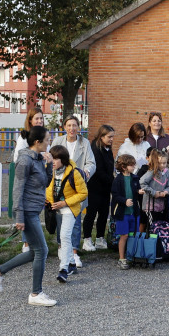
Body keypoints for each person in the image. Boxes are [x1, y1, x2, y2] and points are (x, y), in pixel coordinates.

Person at [0, 126, 56, 306]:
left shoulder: (38, 158)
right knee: (42, 250)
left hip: (34, 209)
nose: (49, 143)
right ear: (37, 142)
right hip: (27, 211)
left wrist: (49, 166)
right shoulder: (25, 160)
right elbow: (17, 189)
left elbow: (45, 183)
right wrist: (19, 217)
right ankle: (35, 294)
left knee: (35, 251)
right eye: (48, 140)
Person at [51, 115, 96, 270]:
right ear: (64, 127)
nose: (72, 128)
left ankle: (74, 251)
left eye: (74, 125)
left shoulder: (84, 143)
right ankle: (61, 247)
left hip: (76, 186)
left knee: (76, 220)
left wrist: (87, 171)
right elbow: (51, 161)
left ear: (79, 127)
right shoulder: (57, 142)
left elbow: (91, 162)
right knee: (60, 218)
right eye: (69, 125)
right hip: (59, 186)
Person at [46, 145, 88, 283]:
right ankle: (71, 263)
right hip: (56, 208)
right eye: (52, 158)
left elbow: (83, 193)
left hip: (70, 208)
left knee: (64, 236)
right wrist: (49, 202)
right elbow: (47, 188)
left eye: (56, 159)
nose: (53, 161)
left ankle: (63, 269)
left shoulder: (73, 173)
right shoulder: (50, 171)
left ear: (63, 160)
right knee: (65, 237)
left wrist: (65, 203)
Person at [13, 107, 46, 254]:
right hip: (29, 174)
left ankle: (32, 243)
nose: (39, 121)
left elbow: (45, 152)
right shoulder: (24, 138)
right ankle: (26, 242)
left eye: (41, 118)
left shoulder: (44, 135)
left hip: (39, 173)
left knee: (33, 210)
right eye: (36, 118)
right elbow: (19, 157)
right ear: (30, 120)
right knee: (26, 209)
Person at [82, 125, 115, 252]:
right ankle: (87, 239)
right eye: (109, 137)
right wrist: (113, 181)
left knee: (103, 214)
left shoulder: (108, 149)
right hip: (94, 187)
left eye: (112, 137)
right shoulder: (95, 149)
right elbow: (99, 170)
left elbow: (110, 166)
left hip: (105, 188)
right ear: (101, 137)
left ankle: (100, 238)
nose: (112, 139)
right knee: (91, 214)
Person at [111, 154, 143, 270]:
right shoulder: (118, 180)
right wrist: (124, 201)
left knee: (132, 235)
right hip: (122, 213)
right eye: (131, 165)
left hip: (133, 212)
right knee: (123, 235)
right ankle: (122, 258)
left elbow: (136, 190)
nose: (134, 167)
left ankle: (131, 256)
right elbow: (115, 196)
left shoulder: (135, 178)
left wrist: (139, 191)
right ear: (124, 167)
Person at [140, 149, 169, 223]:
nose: (162, 165)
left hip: (161, 206)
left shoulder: (166, 172)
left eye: (164, 163)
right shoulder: (152, 171)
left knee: (159, 226)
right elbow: (142, 182)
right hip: (150, 206)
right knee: (152, 226)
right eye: (159, 163)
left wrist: (166, 192)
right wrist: (154, 192)